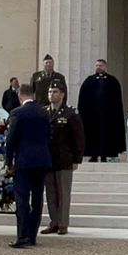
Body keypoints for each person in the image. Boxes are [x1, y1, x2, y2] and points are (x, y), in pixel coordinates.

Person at [3, 85, 53, 248]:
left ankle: (22, 235)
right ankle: (32, 235)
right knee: (37, 198)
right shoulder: (44, 113)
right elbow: (48, 136)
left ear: (19, 96)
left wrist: (9, 161)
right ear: (34, 95)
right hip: (42, 159)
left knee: (22, 198)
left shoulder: (17, 113)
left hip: (24, 160)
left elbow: (11, 139)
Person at [43, 82, 86, 235]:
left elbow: (79, 138)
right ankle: (54, 222)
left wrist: (77, 159)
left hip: (65, 158)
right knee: (51, 193)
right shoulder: (44, 112)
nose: (51, 94)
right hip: (48, 159)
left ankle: (63, 224)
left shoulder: (70, 113)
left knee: (63, 193)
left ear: (62, 94)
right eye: (50, 91)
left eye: (55, 91)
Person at [78, 58, 124, 162]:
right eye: (97, 65)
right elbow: (83, 99)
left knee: (106, 135)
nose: (99, 67)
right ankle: (93, 155)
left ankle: (105, 155)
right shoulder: (89, 81)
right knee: (92, 135)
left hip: (108, 116)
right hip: (92, 116)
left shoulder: (112, 81)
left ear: (105, 67)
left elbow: (116, 100)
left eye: (101, 65)